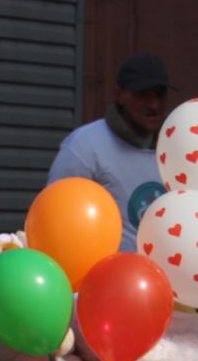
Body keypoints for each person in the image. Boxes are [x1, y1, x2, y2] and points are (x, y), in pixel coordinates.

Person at [46, 53, 170, 250]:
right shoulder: (83, 146)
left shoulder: (177, 149)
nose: (154, 104)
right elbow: (53, 218)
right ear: (119, 94)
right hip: (107, 278)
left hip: (168, 277)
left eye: (160, 94)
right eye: (143, 94)